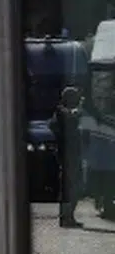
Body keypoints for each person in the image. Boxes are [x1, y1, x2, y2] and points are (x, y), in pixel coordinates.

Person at [50, 86, 84, 228]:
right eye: (74, 97)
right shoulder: (61, 111)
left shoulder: (64, 112)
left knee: (74, 185)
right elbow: (71, 117)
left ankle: (69, 216)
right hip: (67, 155)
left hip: (73, 154)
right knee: (68, 186)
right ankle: (66, 217)